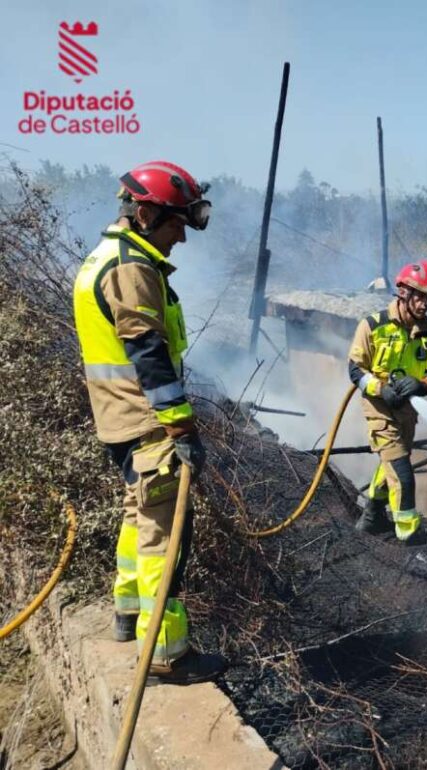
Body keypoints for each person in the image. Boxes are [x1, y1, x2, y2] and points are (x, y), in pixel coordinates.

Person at [72, 161, 225, 684]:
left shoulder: (105, 257)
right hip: (148, 422)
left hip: (120, 419)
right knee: (165, 535)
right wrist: (181, 426)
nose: (181, 236)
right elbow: (148, 354)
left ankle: (128, 612)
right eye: (176, 223)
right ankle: (165, 653)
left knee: (137, 516)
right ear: (145, 214)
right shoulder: (131, 268)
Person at [347, 260, 427, 576]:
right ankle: (412, 546)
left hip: (407, 409)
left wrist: (423, 384)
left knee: (392, 463)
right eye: (419, 296)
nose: (424, 303)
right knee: (403, 474)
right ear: (403, 292)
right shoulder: (372, 326)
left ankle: (373, 515)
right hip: (379, 409)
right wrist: (380, 388)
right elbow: (355, 370)